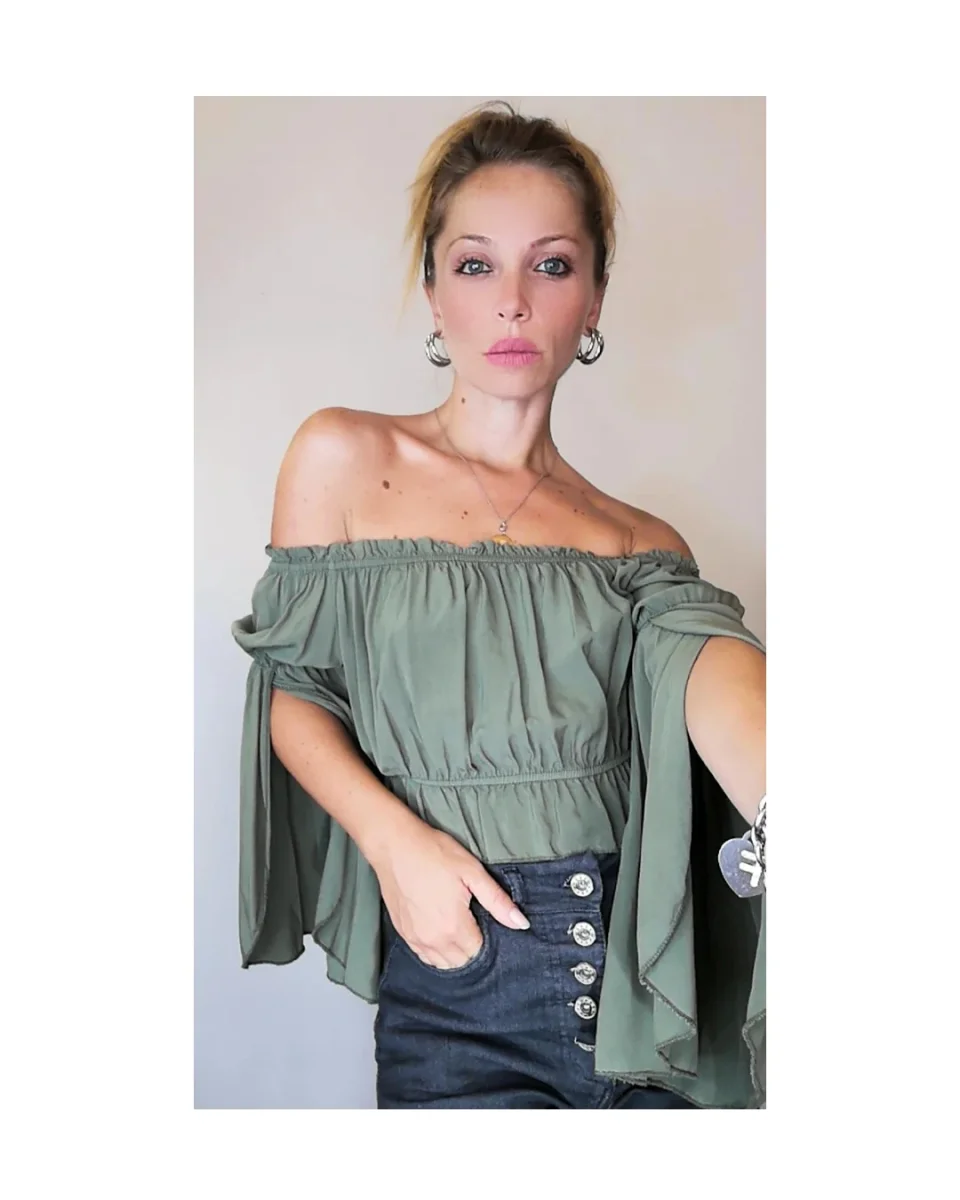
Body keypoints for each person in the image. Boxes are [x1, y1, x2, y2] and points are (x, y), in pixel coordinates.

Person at [231, 100, 767, 1109]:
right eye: (476, 265)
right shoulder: (341, 456)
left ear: (595, 298)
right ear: (433, 291)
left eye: (552, 265)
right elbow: (295, 691)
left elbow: (721, 687)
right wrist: (395, 845)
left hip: (648, 985)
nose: (513, 303)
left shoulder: (639, 544)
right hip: (465, 987)